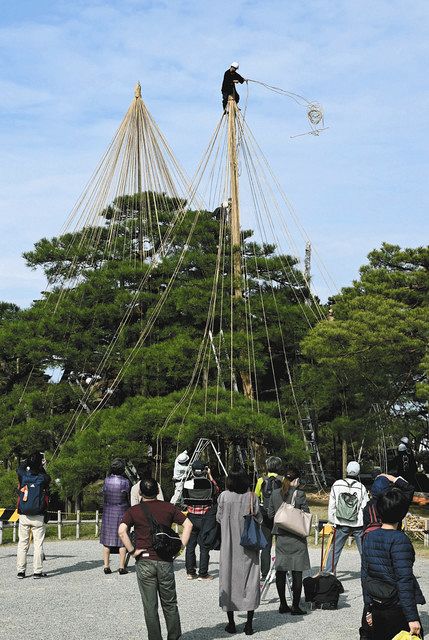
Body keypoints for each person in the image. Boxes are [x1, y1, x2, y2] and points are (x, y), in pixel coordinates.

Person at [119, 478, 193, 640]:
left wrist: (132, 551)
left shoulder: (134, 510)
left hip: (144, 559)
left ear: (139, 493)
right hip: (165, 560)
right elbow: (188, 524)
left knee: (150, 606)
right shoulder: (169, 508)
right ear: (158, 492)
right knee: (170, 604)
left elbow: (122, 531)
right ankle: (174, 637)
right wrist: (180, 547)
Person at [362, 488, 425, 640]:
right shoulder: (399, 540)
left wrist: (368, 609)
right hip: (396, 608)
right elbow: (404, 580)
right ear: (402, 514)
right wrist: (412, 618)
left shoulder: (369, 537)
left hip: (377, 604)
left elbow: (365, 575)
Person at [216, 468, 262, 635]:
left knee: (228, 579)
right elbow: (259, 518)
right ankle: (249, 624)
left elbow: (219, 518)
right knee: (250, 581)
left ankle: (231, 623)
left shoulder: (224, 497)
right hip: (248, 546)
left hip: (229, 544)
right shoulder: (252, 497)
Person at [267, 465, 310, 615]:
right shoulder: (300, 494)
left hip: (281, 536)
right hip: (297, 537)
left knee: (281, 571)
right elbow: (305, 514)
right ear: (296, 480)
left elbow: (270, 514)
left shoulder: (274, 494)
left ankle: (283, 604)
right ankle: (296, 606)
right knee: (297, 572)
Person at [327, 461, 369, 572]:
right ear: (359, 472)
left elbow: (332, 504)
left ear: (346, 470)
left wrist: (332, 520)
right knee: (363, 551)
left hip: (341, 522)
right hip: (358, 523)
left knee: (335, 550)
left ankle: (329, 572)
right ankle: (369, 573)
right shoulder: (361, 487)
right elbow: (365, 507)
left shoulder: (337, 484)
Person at [182, 459, 219, 580]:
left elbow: (184, 498)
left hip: (191, 516)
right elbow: (217, 491)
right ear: (204, 471)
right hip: (205, 517)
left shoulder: (187, 484)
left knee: (190, 546)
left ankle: (190, 572)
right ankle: (203, 573)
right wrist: (210, 475)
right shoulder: (209, 484)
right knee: (204, 546)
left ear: (192, 471)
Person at [16, 452, 51, 579]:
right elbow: (47, 478)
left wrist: (27, 462)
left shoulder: (24, 476)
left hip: (24, 514)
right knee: (38, 545)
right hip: (38, 515)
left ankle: (21, 571)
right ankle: (37, 571)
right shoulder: (42, 478)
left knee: (22, 544)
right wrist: (41, 467)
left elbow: (19, 469)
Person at [254, 455, 284, 580]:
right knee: (281, 545)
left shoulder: (261, 480)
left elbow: (256, 496)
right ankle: (281, 571)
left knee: (266, 546)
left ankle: (264, 573)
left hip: (265, 516)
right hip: (280, 516)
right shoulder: (283, 480)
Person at [100, 458, 130, 574]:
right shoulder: (125, 482)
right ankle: (122, 567)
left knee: (107, 540)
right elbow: (127, 497)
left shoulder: (106, 480)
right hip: (122, 510)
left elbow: (104, 494)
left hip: (108, 510)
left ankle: (106, 566)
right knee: (122, 539)